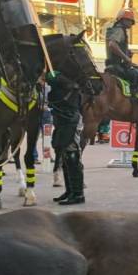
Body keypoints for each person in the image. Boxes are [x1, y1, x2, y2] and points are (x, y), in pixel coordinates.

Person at [105, 8, 138, 117]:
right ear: (122, 20)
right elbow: (112, 45)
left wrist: (127, 54)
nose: (131, 24)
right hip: (118, 68)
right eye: (129, 21)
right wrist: (126, 58)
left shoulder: (114, 30)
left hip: (112, 66)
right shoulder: (119, 31)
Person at [48, 71, 85, 206]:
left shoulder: (71, 80)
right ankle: (70, 191)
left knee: (72, 155)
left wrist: (55, 77)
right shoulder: (60, 81)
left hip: (71, 120)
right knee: (64, 156)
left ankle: (78, 194)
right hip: (62, 121)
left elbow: (67, 85)